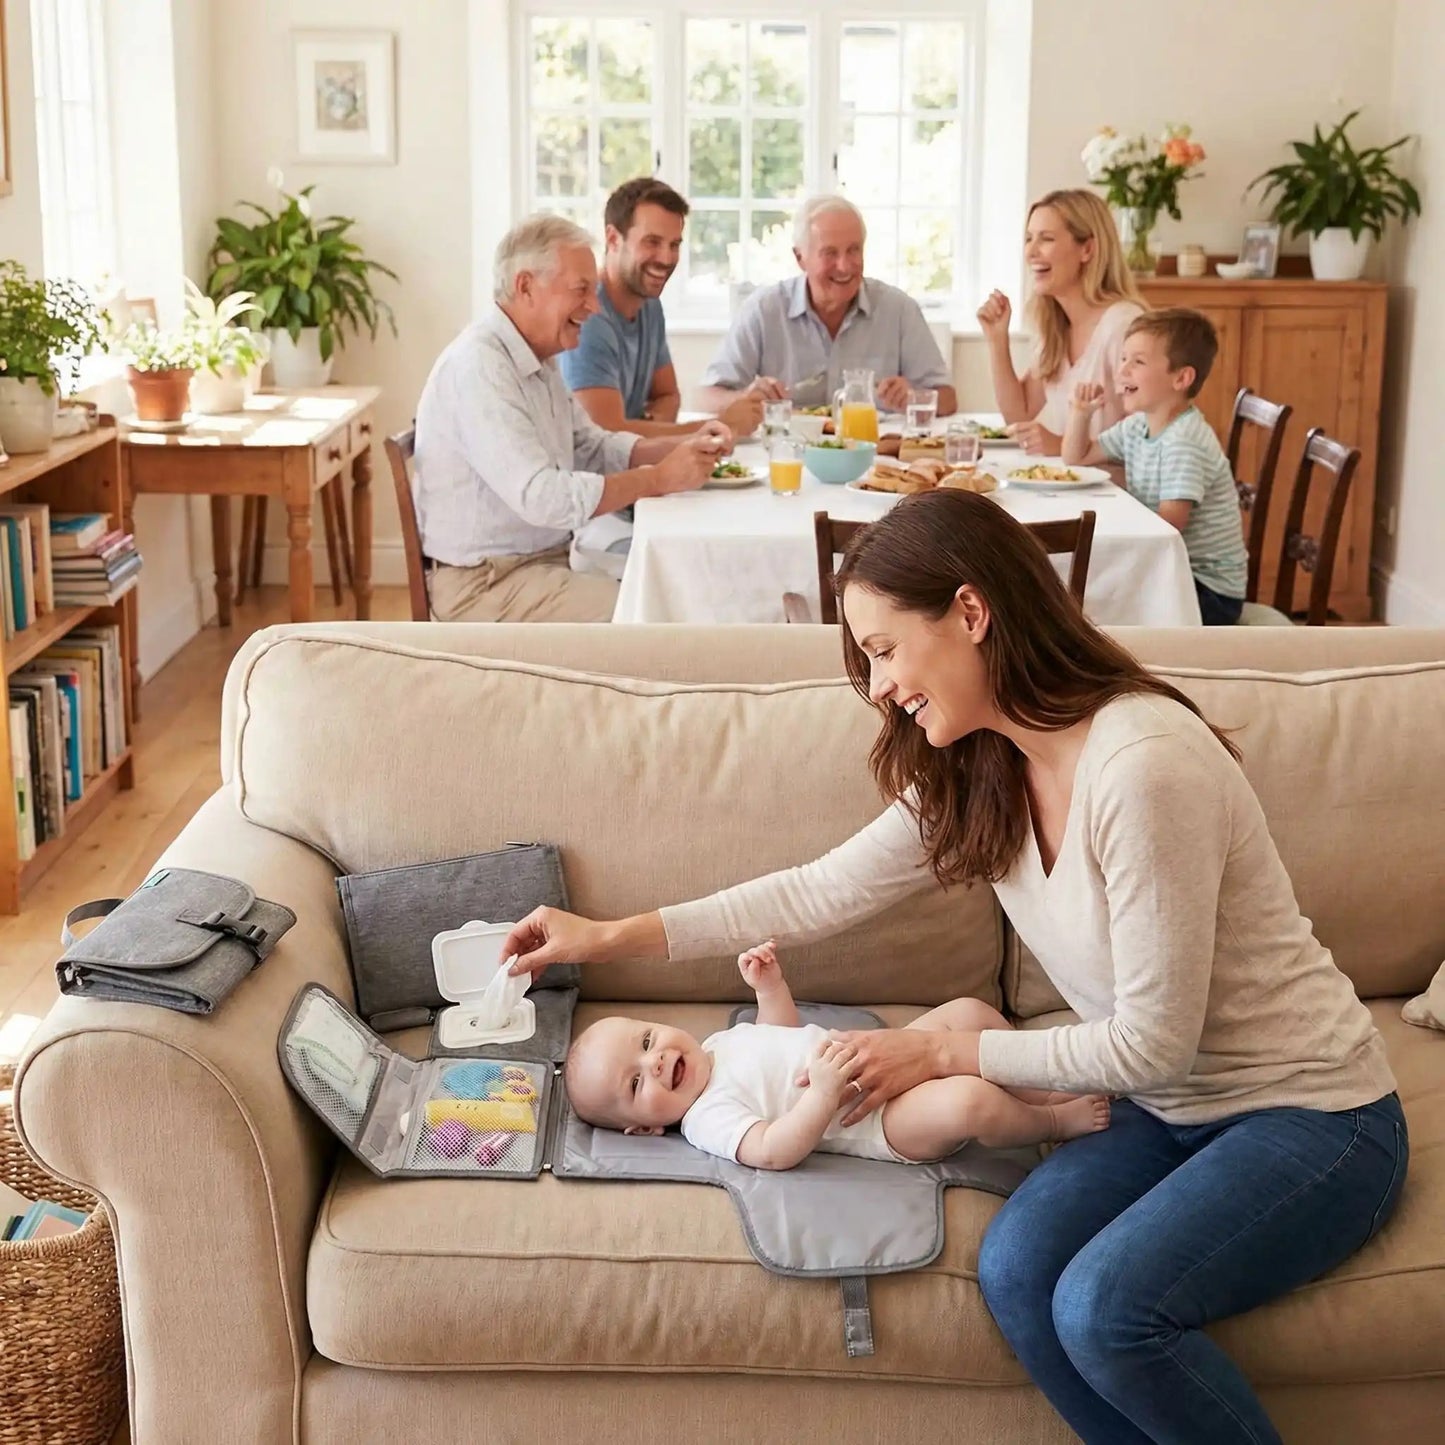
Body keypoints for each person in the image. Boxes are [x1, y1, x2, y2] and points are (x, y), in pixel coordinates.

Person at [501, 487, 1406, 1445]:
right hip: (1168, 1110)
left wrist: (943, 1057)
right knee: (1017, 1272)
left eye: (885, 650)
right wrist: (602, 935)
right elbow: (812, 893)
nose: (881, 685)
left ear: (971, 613)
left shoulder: (1141, 767)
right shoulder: (982, 768)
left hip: (1312, 1116)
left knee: (1103, 1307)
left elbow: (1152, 1041)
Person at [412, 213, 728, 623]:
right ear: (525, 286)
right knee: (657, 615)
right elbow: (545, 498)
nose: (594, 307)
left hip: (538, 565)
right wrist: (659, 478)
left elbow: (590, 446)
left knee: (678, 588)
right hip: (486, 587)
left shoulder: (535, 359)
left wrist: (678, 447)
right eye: (581, 290)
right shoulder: (480, 366)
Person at [567, 940, 1110, 1169]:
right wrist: (823, 1096)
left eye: (645, 1043)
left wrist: (769, 989)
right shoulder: (706, 1121)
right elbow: (774, 1149)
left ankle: (1042, 1086)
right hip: (879, 1122)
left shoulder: (718, 1045)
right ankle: (1051, 1119)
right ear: (642, 1129)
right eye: (637, 1084)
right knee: (968, 1101)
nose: (655, 1062)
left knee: (967, 1011)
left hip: (884, 1057)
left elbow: (778, 1033)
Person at [1064, 308, 1248, 626]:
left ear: (1181, 378)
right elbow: (1077, 457)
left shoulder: (1184, 441)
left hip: (1208, 591)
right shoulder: (1138, 426)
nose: (1123, 370)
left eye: (1138, 361)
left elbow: (1168, 526)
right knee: (1087, 597)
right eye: (1123, 359)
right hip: (1172, 571)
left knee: (1088, 607)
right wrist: (1081, 413)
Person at [696, 195, 957, 417]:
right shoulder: (764, 310)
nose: (844, 266)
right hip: (788, 453)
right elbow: (707, 398)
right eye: (830, 253)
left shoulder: (899, 310)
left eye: (853, 250)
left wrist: (913, 397)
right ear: (800, 257)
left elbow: (947, 399)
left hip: (874, 459)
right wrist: (745, 399)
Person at [560, 177, 764, 442]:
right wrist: (721, 425)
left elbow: (668, 396)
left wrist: (639, 428)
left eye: (674, 245)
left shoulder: (649, 305)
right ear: (613, 239)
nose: (666, 259)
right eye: (652, 242)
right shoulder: (589, 318)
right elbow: (606, 435)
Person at [978, 189, 1144, 455]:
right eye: (1029, 239)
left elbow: (1148, 443)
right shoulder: (1057, 328)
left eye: (1046, 239)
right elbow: (1019, 417)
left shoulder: (1123, 326)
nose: (1031, 251)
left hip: (1118, 494)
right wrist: (997, 339)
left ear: (1087, 249)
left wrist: (1063, 447)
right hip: (1077, 490)